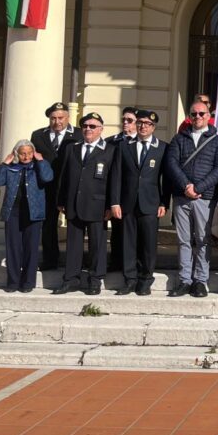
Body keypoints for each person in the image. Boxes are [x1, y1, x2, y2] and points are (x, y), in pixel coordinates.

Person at [164, 99, 218, 298]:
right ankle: (184, 280)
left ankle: (200, 280)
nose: (197, 117)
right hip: (182, 197)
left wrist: (198, 187)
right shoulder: (178, 139)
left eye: (201, 114)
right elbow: (171, 163)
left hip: (205, 197)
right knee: (184, 240)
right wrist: (186, 186)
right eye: (194, 114)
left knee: (202, 240)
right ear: (189, 117)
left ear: (209, 116)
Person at [110, 110, 169, 296]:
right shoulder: (124, 146)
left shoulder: (162, 148)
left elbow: (165, 179)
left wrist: (164, 202)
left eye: (148, 124)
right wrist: (115, 202)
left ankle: (145, 279)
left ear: (153, 127)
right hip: (127, 203)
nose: (143, 126)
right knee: (128, 242)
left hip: (150, 203)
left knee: (148, 243)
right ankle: (130, 279)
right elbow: (116, 176)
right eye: (141, 122)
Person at [55, 113, 115, 295]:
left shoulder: (110, 150)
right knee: (73, 244)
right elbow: (64, 176)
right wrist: (61, 200)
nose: (88, 129)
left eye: (93, 126)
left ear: (101, 129)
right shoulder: (72, 149)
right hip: (73, 203)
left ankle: (95, 279)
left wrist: (111, 205)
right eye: (86, 126)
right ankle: (71, 279)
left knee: (97, 244)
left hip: (98, 205)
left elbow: (114, 180)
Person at [0, 140, 54, 293]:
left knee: (31, 248)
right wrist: (5, 163)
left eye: (29, 153)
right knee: (13, 248)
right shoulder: (11, 169)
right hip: (13, 213)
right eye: (23, 153)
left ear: (34, 153)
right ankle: (13, 282)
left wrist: (41, 160)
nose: (26, 156)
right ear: (17, 154)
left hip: (34, 214)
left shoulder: (39, 167)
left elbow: (48, 178)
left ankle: (28, 282)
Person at [30, 102, 81, 271]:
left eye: (61, 118)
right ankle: (50, 260)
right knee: (48, 225)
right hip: (47, 188)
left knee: (75, 225)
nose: (57, 122)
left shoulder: (79, 135)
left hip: (71, 187)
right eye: (53, 118)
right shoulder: (38, 136)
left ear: (68, 118)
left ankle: (74, 263)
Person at [107, 107, 138, 274]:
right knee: (117, 231)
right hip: (116, 193)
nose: (125, 123)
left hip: (135, 194)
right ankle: (116, 262)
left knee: (134, 233)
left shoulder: (142, 141)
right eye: (124, 119)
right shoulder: (111, 141)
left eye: (130, 120)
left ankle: (134, 264)